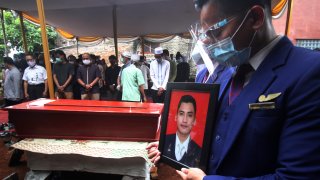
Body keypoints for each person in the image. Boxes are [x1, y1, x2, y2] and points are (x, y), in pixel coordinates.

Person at [147, 0, 320, 179]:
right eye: (205, 34)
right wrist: (170, 148)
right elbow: (209, 137)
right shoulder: (224, 73)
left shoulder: (308, 73)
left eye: (215, 31)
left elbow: (297, 176)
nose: (207, 41)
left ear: (255, 18)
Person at [163, 95, 201, 167]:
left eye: (189, 115)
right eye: (181, 114)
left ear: (194, 121)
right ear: (176, 117)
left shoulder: (199, 152)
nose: (184, 120)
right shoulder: (164, 141)